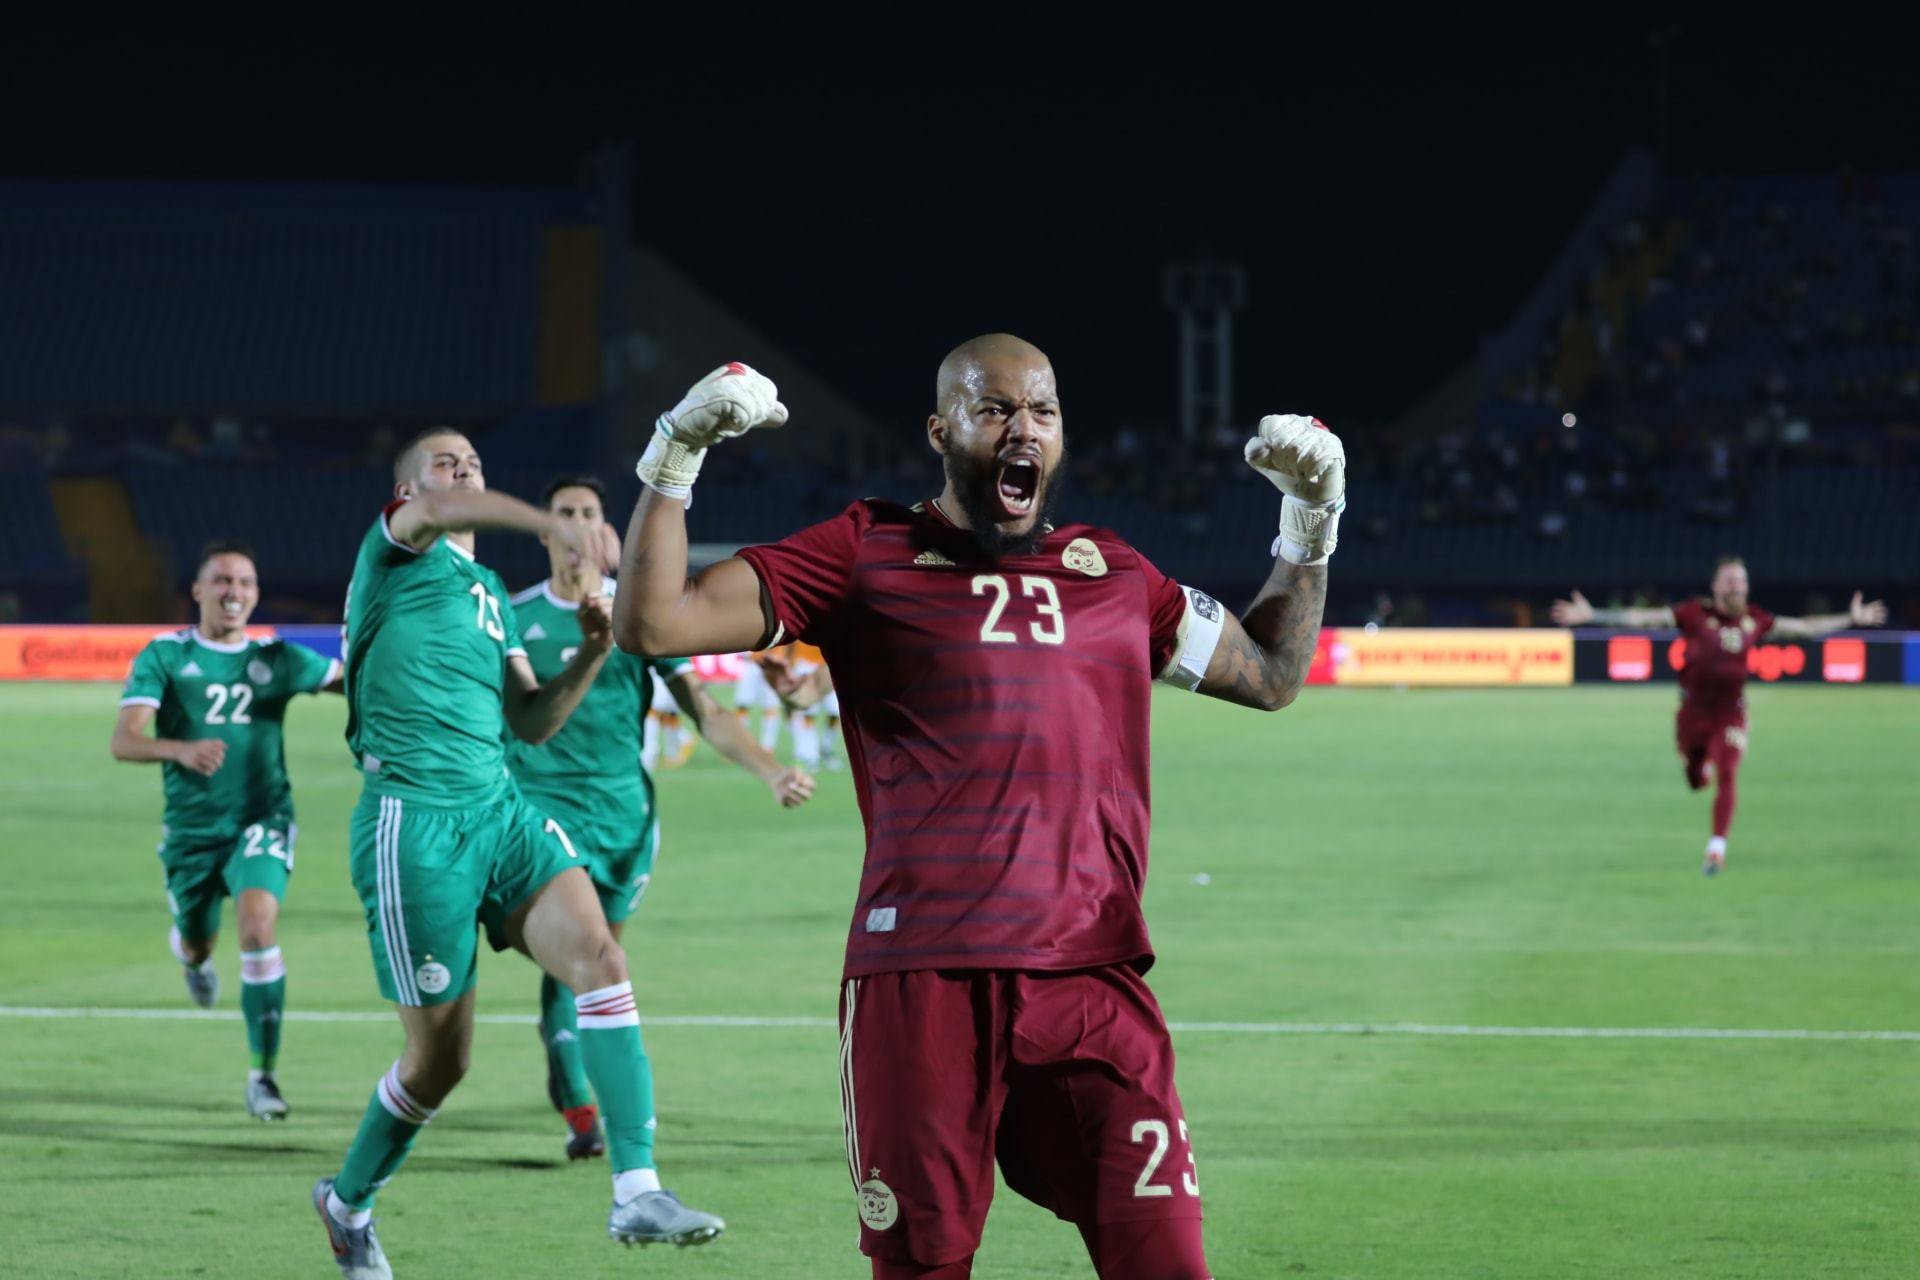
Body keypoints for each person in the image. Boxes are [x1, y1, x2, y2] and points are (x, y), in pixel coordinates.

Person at [611, 339, 1341, 1280]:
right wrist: (676, 455)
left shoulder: (1118, 576)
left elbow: (1275, 675)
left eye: (1041, 411)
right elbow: (653, 623)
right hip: (922, 983)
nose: (1022, 429)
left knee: (1168, 1263)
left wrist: (1311, 517)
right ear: (941, 429)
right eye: (994, 410)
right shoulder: (861, 552)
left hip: (1093, 980)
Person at [312, 431, 722, 1280]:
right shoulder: (391, 553)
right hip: (411, 826)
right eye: (444, 462)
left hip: (500, 810)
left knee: (603, 960)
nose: (461, 471)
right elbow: (442, 508)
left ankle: (637, 1189)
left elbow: (530, 719)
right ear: (408, 488)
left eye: (472, 460)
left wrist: (595, 651)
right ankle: (347, 1203)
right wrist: (558, 523)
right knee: (442, 1063)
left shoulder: (489, 590)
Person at [507, 473, 816, 1162]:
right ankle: (584, 1113)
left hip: (624, 819)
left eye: (589, 512)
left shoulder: (635, 618)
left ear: (605, 530)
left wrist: (770, 771)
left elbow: (705, 710)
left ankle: (586, 1101)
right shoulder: (512, 613)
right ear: (545, 529)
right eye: (564, 513)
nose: (577, 524)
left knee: (598, 960)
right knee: (581, 961)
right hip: (540, 815)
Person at [111, 540, 341, 1121]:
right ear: (197, 591)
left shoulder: (280, 659)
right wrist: (181, 749)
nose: (233, 592)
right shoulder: (165, 656)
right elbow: (125, 739)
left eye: (244, 583)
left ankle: (263, 1077)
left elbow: (355, 683)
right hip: (192, 832)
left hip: (263, 819)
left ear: (256, 594)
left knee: (258, 927)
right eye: (221, 581)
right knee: (198, 939)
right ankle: (191, 957)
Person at [1552, 558, 1887, 873]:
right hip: (1693, 714)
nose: (1737, 587)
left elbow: (1804, 627)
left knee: (1728, 773)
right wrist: (1593, 614)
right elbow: (1645, 618)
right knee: (1696, 780)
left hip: (1732, 713)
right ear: (1716, 586)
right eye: (1730, 581)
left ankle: (1717, 847)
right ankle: (1700, 766)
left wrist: (1850, 618)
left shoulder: (1755, 619)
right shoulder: (1694, 613)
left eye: (1742, 581)